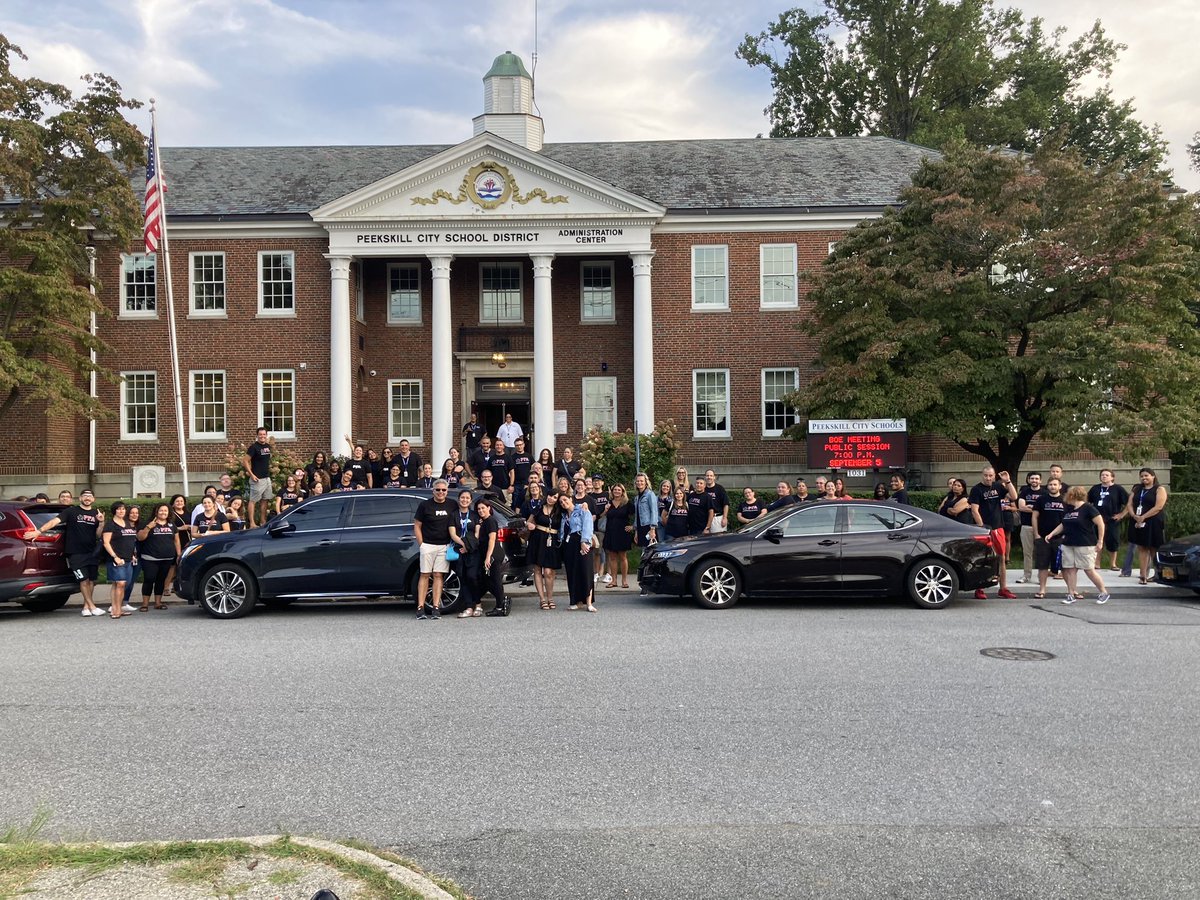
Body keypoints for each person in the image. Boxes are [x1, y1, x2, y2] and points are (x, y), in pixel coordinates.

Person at [26, 488, 105, 616]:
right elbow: (54, 522)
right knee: (83, 580)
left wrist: (101, 523)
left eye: (90, 496)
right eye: (84, 495)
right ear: (80, 498)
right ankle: (92, 606)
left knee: (91, 581)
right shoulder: (71, 511)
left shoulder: (96, 513)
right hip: (75, 552)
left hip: (91, 552)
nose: (87, 498)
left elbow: (98, 535)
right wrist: (39, 531)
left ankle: (86, 607)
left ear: (93, 499)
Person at [1045, 486, 1110, 605]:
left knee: (1089, 570)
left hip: (1085, 544)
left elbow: (1100, 524)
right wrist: (1052, 534)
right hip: (1069, 544)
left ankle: (1103, 592)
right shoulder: (1070, 510)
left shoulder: (1088, 508)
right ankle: (1071, 594)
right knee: (1070, 570)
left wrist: (1100, 540)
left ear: (1072, 495)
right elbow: (1063, 524)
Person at [968, 466, 1018, 599]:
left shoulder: (998, 486)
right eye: (986, 475)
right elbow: (974, 510)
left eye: (990, 475)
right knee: (982, 558)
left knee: (1001, 558)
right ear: (982, 475)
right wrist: (982, 527)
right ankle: (979, 588)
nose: (988, 478)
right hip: (984, 529)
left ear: (994, 475)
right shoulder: (976, 489)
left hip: (998, 528)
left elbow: (1014, 496)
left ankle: (1003, 588)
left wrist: (1008, 481)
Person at [413, 479, 454, 619]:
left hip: (444, 545)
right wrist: (421, 544)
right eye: (438, 490)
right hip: (428, 545)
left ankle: (436, 607)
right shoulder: (425, 505)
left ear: (447, 491)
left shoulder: (452, 504)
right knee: (424, 574)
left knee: (438, 575)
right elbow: (417, 525)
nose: (441, 492)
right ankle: (420, 607)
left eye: (444, 490)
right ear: (433, 491)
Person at [1124, 467, 1167, 584]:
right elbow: (1130, 504)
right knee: (1142, 547)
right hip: (1137, 521)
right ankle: (1143, 575)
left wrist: (1144, 517)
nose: (1144, 478)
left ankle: (1158, 574)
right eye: (1142, 476)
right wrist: (1134, 515)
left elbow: (1158, 506)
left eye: (1146, 475)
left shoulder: (1159, 489)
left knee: (1154, 548)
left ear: (1153, 476)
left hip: (1153, 521)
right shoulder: (1137, 489)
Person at [558, 490, 595, 612]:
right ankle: (575, 601)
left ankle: (588, 602)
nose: (563, 503)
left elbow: (588, 525)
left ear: (571, 498)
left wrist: (584, 541)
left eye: (565, 500)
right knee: (572, 573)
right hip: (569, 545)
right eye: (561, 502)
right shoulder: (563, 516)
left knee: (586, 571)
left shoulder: (582, 510)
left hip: (581, 541)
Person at [526, 482, 561, 610]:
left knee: (549, 571)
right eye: (550, 496)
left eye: (555, 497)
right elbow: (528, 521)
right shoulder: (539, 508)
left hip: (552, 540)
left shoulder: (559, 510)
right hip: (538, 539)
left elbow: (571, 508)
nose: (551, 498)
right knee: (538, 569)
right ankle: (542, 599)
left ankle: (550, 597)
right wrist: (529, 525)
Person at [100, 501, 138, 618]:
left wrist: (132, 555)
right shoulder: (110, 524)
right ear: (114, 511)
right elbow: (106, 542)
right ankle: (115, 610)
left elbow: (130, 541)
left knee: (122, 584)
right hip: (116, 559)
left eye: (123, 509)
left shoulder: (127, 523)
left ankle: (119, 608)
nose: (121, 511)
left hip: (128, 559)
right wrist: (115, 557)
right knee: (119, 583)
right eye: (119, 509)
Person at [1031, 477, 1068, 599]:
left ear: (1060, 486)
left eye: (1055, 484)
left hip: (1060, 538)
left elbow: (1069, 519)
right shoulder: (1041, 499)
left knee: (1065, 566)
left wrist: (1066, 534)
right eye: (1050, 484)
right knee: (1042, 565)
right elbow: (1035, 517)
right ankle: (1042, 590)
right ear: (1047, 486)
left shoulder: (1065, 500)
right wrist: (1036, 534)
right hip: (1043, 537)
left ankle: (1071, 591)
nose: (1052, 486)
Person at [474, 497, 510, 616]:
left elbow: (492, 539)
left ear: (489, 508)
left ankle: (500, 607)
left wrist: (488, 557)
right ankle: (503, 601)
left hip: (493, 554)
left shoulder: (490, 521)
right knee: (486, 581)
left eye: (483, 508)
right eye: (478, 509)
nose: (480, 510)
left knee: (495, 580)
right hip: (488, 554)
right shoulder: (483, 522)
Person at [137, 503, 177, 610]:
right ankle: (145, 604)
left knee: (161, 580)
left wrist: (178, 554)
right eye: (161, 510)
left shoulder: (172, 525)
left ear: (169, 512)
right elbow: (140, 538)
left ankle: (158, 603)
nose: (163, 512)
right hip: (150, 558)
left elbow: (176, 540)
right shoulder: (148, 523)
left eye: (165, 511)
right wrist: (148, 528)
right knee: (149, 579)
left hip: (167, 558)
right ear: (156, 512)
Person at [1088, 470, 1129, 572]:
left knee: (1112, 541)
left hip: (1112, 520)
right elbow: (1087, 501)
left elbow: (1129, 503)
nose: (1104, 477)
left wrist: (1122, 514)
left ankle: (1113, 564)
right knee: (1097, 540)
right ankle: (1097, 563)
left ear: (1112, 477)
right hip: (1097, 520)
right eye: (1102, 475)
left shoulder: (1118, 489)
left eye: (1107, 475)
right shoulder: (1095, 488)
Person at [451, 489, 482, 618]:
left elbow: (477, 534)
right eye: (462, 498)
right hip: (459, 550)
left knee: (472, 577)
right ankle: (469, 606)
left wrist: (469, 547)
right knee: (462, 577)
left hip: (473, 551)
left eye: (467, 498)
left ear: (470, 500)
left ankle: (478, 604)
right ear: (459, 499)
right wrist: (463, 545)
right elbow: (453, 533)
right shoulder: (454, 515)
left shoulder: (475, 515)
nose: (464, 500)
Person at [603, 484, 634, 588]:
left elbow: (635, 515)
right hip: (610, 532)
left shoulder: (627, 503)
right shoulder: (609, 504)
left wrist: (633, 526)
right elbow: (602, 515)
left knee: (623, 557)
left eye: (618, 490)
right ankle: (614, 580)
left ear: (622, 491)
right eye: (614, 490)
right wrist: (605, 510)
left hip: (622, 533)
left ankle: (624, 581)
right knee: (612, 557)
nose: (616, 491)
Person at [243, 426, 274, 528]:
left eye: (264, 434)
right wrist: (251, 474)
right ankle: (252, 523)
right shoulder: (253, 447)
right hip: (257, 479)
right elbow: (245, 461)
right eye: (260, 434)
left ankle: (263, 522)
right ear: (257, 435)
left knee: (265, 500)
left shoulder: (268, 447)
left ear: (266, 435)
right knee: (253, 501)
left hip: (266, 478)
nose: (262, 436)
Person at [1016, 472, 1044, 584]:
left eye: (1037, 478)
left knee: (1041, 553)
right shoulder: (1024, 492)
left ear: (1040, 481)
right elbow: (1021, 507)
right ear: (1028, 480)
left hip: (1042, 527)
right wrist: (1036, 508)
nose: (1034, 480)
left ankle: (1040, 577)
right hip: (1026, 526)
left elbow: (1044, 509)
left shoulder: (1045, 493)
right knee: (1027, 552)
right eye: (1032, 478)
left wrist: (1031, 507)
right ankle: (1026, 576)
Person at [122, 504, 142, 609]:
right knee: (122, 581)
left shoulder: (140, 526)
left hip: (137, 557)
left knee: (131, 581)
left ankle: (125, 602)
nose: (134, 515)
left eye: (136, 513)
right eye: (132, 512)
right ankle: (117, 603)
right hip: (124, 557)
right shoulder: (122, 525)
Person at [632, 472, 659, 550]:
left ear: (646, 482)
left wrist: (652, 529)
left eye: (641, 481)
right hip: (640, 527)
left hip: (648, 527)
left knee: (650, 551)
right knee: (643, 551)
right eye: (638, 481)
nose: (639, 483)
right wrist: (636, 531)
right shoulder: (637, 497)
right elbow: (637, 515)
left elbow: (654, 512)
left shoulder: (650, 494)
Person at [509, 437, 533, 511]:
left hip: (527, 483)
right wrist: (512, 484)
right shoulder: (512, 457)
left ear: (524, 445)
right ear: (515, 446)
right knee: (516, 502)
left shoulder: (529, 456)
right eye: (517, 445)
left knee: (527, 501)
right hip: (516, 484)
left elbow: (533, 468)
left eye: (520, 444)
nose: (519, 447)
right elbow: (510, 471)